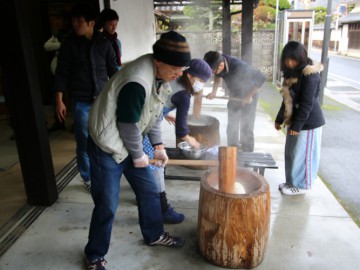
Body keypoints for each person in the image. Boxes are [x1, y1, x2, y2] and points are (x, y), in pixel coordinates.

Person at [85, 31, 191, 269]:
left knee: (150, 192)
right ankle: (94, 254)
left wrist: (158, 147)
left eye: (183, 68)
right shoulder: (137, 81)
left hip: (127, 142)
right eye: (176, 67)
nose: (180, 73)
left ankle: (154, 235)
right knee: (107, 204)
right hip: (108, 147)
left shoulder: (161, 77)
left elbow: (152, 115)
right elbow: (128, 124)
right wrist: (139, 155)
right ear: (159, 60)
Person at [55, 3, 118, 192]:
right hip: (80, 102)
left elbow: (113, 71)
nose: (75, 24)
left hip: (102, 101)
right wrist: (59, 99)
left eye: (79, 21)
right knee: (83, 141)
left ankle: (105, 171)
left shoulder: (104, 43)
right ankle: (88, 178)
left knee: (106, 138)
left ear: (91, 23)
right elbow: (61, 73)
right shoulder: (69, 44)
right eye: (73, 20)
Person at [143, 58, 212, 224]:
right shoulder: (184, 95)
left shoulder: (173, 81)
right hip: (143, 125)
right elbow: (182, 131)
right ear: (190, 76)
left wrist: (165, 113)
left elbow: (158, 99)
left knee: (151, 164)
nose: (201, 85)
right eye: (201, 80)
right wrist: (192, 141)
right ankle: (162, 209)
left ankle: (151, 200)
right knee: (157, 165)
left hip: (148, 119)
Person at [275, 41, 325, 196]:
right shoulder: (292, 73)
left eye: (293, 59)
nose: (290, 63)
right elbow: (286, 99)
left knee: (305, 155)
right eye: (287, 59)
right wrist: (279, 119)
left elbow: (307, 104)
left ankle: (302, 185)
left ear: (301, 57)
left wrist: (296, 127)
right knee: (292, 153)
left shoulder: (310, 74)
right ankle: (291, 182)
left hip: (308, 123)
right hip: (295, 121)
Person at [203, 51, 266, 152]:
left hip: (250, 96)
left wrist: (249, 96)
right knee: (232, 124)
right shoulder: (218, 62)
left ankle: (247, 153)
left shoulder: (240, 66)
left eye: (213, 71)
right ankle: (232, 151)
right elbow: (218, 76)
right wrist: (213, 92)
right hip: (235, 94)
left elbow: (261, 78)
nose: (212, 73)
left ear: (221, 65)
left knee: (247, 126)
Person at [44, 9, 69, 132]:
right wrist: (62, 45)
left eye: (60, 19)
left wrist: (62, 45)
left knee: (71, 97)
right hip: (57, 71)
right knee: (58, 98)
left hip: (69, 71)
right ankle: (59, 122)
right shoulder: (57, 34)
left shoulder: (70, 33)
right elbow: (46, 46)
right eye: (56, 19)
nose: (57, 22)